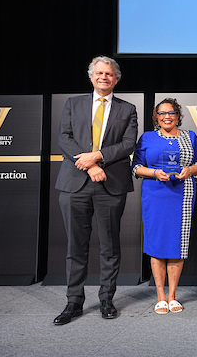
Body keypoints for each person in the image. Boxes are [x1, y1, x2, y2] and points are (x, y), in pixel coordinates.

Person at [53, 56, 138, 325]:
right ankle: (73, 303)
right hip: (74, 184)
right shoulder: (73, 103)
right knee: (75, 246)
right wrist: (90, 165)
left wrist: (98, 156)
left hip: (110, 185)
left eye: (109, 74)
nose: (104, 77)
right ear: (91, 77)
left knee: (110, 246)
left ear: (116, 78)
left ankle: (106, 300)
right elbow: (64, 138)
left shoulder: (128, 109)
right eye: (99, 73)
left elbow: (128, 144)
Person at [131, 98, 197, 314]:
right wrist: (155, 173)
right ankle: (160, 296)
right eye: (162, 114)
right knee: (157, 242)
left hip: (182, 194)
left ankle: (173, 296)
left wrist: (188, 171)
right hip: (155, 195)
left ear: (178, 115)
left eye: (171, 113)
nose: (167, 117)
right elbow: (135, 167)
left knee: (177, 244)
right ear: (156, 117)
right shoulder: (147, 138)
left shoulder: (190, 137)